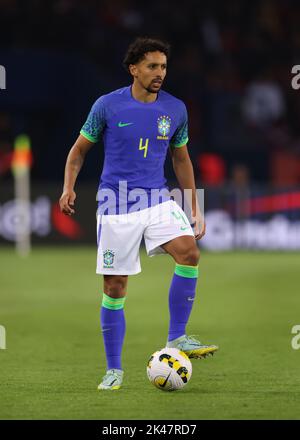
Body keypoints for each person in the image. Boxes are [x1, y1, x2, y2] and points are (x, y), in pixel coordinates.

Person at [59, 37, 218, 391]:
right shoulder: (107, 106)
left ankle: (177, 336)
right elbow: (78, 151)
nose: (159, 73)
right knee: (115, 288)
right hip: (116, 206)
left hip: (157, 199)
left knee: (189, 250)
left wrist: (195, 207)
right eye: (151, 66)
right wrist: (69, 187)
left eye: (163, 66)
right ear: (134, 69)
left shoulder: (176, 109)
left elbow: (181, 158)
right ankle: (113, 370)